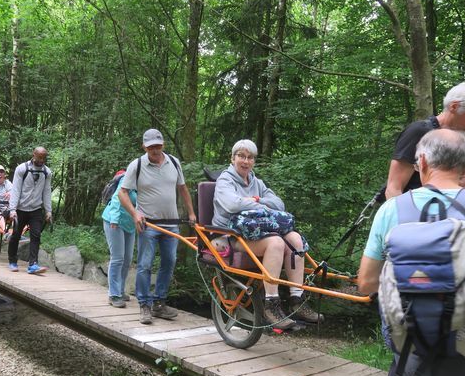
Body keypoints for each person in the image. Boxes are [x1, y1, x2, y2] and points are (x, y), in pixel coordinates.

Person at [359, 129, 465, 376]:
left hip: (416, 349)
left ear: (421, 163)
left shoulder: (391, 210)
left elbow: (366, 283)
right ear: (464, 166)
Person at [212, 139, 322, 330]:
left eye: (250, 157)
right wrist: (262, 206)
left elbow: (279, 204)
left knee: (295, 239)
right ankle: (271, 304)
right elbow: (232, 205)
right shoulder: (225, 180)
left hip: (255, 232)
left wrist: (255, 199)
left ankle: (297, 299)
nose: (245, 161)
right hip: (228, 236)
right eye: (241, 156)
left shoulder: (257, 182)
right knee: (276, 243)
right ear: (233, 158)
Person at [119, 129, 196, 325]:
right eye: (151, 146)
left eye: (158, 145)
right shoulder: (136, 165)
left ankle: (159, 303)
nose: (155, 149)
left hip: (172, 224)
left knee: (169, 262)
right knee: (145, 264)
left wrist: (191, 212)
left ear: (163, 144)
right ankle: (144, 304)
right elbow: (122, 193)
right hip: (149, 225)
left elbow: (182, 188)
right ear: (144, 146)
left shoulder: (174, 162)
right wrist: (135, 214)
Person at [385, 81, 465, 199]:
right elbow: (393, 189)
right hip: (414, 213)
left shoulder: (460, 140)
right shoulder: (419, 132)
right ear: (454, 107)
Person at [8, 147, 52, 274]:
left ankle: (33, 264)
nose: (42, 160)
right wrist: (12, 209)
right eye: (39, 157)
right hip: (20, 208)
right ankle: (12, 261)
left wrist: (48, 211)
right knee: (16, 235)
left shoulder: (46, 172)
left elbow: (47, 192)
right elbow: (15, 189)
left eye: (44, 158)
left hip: (36, 209)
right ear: (34, 155)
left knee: (36, 236)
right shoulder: (22, 169)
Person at [102, 169, 136, 308]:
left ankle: (120, 291)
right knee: (117, 258)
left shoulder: (146, 183)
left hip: (130, 223)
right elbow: (117, 197)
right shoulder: (128, 179)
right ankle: (114, 295)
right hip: (113, 221)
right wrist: (115, 219)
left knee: (127, 258)